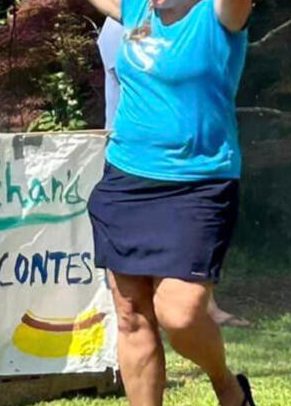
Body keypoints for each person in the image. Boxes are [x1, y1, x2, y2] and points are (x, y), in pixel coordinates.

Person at [56, 0, 258, 406]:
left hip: (199, 185)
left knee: (180, 312)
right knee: (131, 313)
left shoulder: (219, 18)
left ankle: (224, 383)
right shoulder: (130, 6)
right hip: (128, 180)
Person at [97, 16, 251, 329]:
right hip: (132, 159)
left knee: (183, 261)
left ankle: (203, 309)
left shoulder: (185, 21)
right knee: (133, 288)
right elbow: (147, 82)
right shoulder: (120, 25)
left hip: (178, 164)